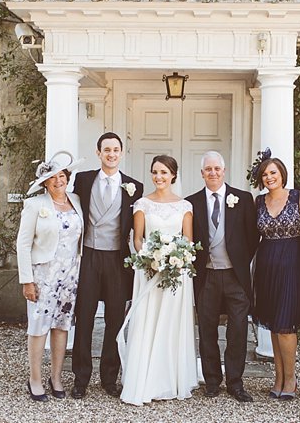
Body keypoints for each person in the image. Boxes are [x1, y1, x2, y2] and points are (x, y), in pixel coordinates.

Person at [117, 155, 198, 406]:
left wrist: (176, 260)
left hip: (177, 274)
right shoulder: (142, 204)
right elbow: (138, 239)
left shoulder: (185, 206)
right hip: (148, 271)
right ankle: (145, 380)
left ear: (173, 175)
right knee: (148, 321)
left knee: (172, 323)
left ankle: (170, 379)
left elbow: (188, 241)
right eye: (155, 172)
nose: (158, 177)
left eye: (163, 172)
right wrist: (150, 259)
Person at [71, 132, 143, 399]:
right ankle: (80, 378)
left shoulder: (134, 185)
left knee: (114, 320)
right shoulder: (83, 180)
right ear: (98, 152)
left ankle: (109, 378)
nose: (111, 154)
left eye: (116, 150)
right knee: (85, 318)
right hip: (89, 256)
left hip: (117, 259)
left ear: (122, 153)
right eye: (106, 150)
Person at [185, 151, 259, 402]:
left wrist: (238, 263)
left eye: (217, 168)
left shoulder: (243, 198)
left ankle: (236, 383)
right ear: (202, 173)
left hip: (235, 278)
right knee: (207, 330)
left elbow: (252, 238)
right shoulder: (191, 202)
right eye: (208, 169)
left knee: (238, 330)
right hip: (206, 277)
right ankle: (212, 381)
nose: (213, 173)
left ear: (224, 171)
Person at [16, 151, 85, 401]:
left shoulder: (76, 200)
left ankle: (55, 377)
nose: (58, 181)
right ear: (45, 182)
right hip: (43, 276)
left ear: (68, 177)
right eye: (53, 178)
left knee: (61, 325)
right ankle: (34, 379)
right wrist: (27, 280)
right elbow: (23, 244)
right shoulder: (35, 205)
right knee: (38, 327)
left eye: (62, 176)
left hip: (70, 275)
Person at [251, 154, 300, 401]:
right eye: (265, 174)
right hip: (266, 264)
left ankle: (291, 378)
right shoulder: (259, 202)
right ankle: (278, 377)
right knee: (274, 326)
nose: (269, 177)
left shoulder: (299, 197)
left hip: (293, 264)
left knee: (286, 325)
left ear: (282, 174)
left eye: (273, 173)